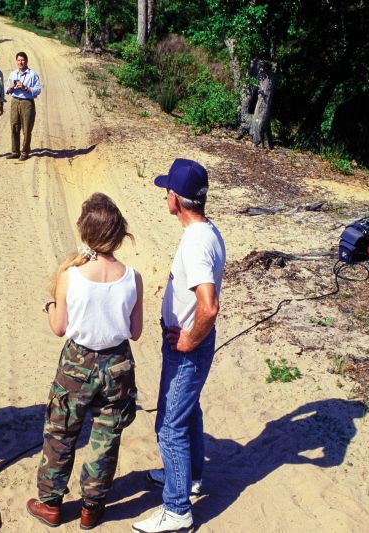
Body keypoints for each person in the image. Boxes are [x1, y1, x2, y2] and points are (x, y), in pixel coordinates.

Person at [27, 193, 144, 530]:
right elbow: (134, 332)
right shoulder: (132, 277)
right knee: (106, 438)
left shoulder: (71, 275)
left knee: (61, 432)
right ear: (119, 234)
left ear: (84, 233)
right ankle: (92, 507)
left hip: (77, 363)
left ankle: (50, 504)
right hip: (118, 364)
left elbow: (59, 328)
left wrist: (50, 305)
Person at [132, 159, 225, 533]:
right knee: (189, 412)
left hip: (187, 346)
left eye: (166, 191)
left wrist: (188, 337)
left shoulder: (196, 244)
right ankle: (191, 477)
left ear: (176, 199)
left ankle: (176, 509)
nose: (164, 196)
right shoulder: (208, 230)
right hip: (192, 344)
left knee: (168, 426)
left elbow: (209, 305)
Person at [5, 51, 41, 161]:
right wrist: (10, 88)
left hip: (27, 102)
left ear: (26, 61)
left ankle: (25, 152)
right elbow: (6, 89)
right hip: (15, 101)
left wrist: (26, 88)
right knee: (14, 126)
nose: (21, 62)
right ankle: (15, 151)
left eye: (23, 60)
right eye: (19, 60)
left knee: (27, 128)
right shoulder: (12, 74)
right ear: (16, 61)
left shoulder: (32, 74)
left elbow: (38, 89)